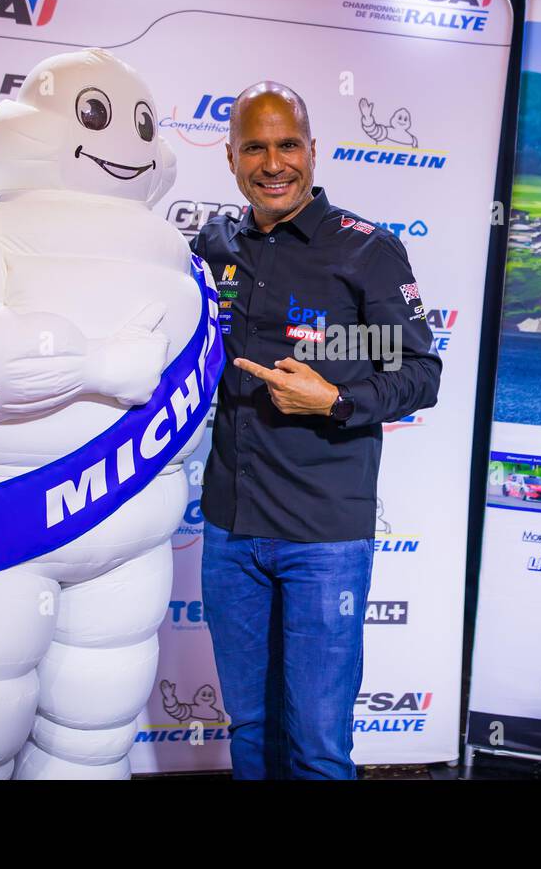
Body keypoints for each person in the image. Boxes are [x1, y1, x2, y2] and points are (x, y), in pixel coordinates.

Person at [190, 81, 441, 779]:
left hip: (324, 537)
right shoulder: (214, 244)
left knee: (318, 745)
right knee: (251, 732)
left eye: (288, 145)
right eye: (255, 148)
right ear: (232, 157)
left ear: (313, 150)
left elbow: (422, 374)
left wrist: (335, 399)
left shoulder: (365, 251)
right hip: (229, 529)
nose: (274, 163)